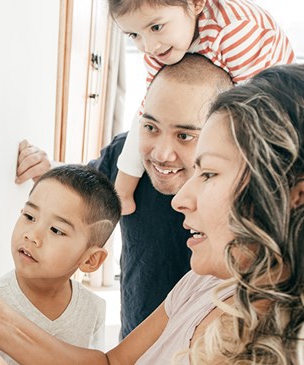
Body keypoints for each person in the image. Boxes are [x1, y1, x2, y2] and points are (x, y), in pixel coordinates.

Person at [0, 63, 304, 365]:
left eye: (208, 174)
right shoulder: (205, 284)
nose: (180, 200)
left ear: (293, 195)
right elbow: (113, 363)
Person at [17, 53, 233, 338]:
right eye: (150, 127)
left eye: (184, 136)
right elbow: (84, 191)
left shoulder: (239, 187)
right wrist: (47, 170)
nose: (161, 154)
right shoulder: (124, 157)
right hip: (135, 328)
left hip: (206, 340)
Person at [111, 0, 295, 216]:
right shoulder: (158, 47)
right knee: (153, 110)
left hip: (268, 95)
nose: (148, 47)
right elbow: (149, 108)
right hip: (210, 65)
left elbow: (251, 113)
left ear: (196, 3)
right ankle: (122, 193)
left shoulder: (236, 30)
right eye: (134, 35)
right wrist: (126, 182)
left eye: (156, 27)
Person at [0, 164, 121, 363]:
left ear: (90, 259)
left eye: (56, 230)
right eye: (29, 216)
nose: (32, 235)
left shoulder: (93, 309)